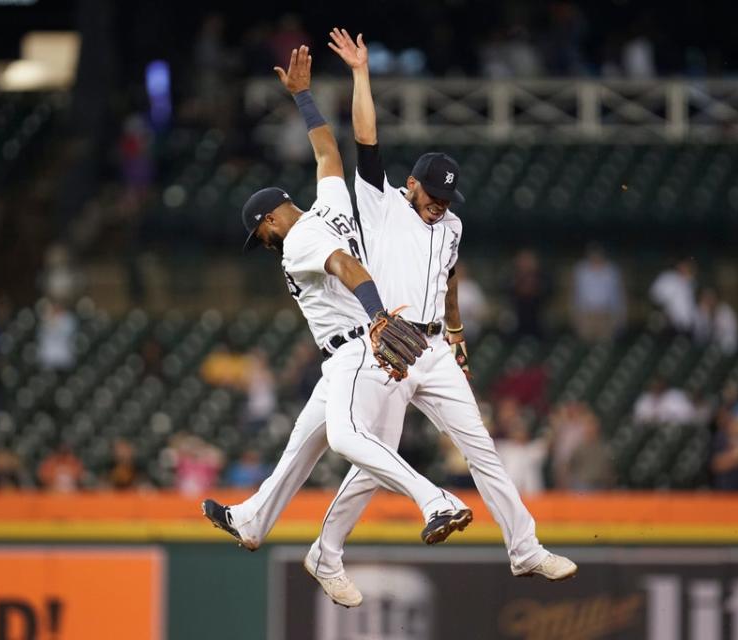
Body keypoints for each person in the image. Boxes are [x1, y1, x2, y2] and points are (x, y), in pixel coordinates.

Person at [205, 36, 575, 609]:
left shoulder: (374, 221)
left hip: (403, 342)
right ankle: (292, 527)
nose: (440, 207)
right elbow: (354, 145)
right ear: (413, 185)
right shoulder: (372, 203)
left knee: (472, 448)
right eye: (433, 197)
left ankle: (521, 548)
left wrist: (453, 332)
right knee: (346, 445)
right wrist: (355, 79)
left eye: (262, 231)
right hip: (380, 347)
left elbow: (442, 270)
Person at [202, 46, 474, 596]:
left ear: (272, 216)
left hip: (361, 347)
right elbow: (327, 150)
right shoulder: (328, 201)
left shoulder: (297, 240)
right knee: (305, 442)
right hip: (365, 349)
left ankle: (435, 499)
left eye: (261, 232)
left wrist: (375, 317)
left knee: (351, 440)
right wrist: (303, 97)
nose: (264, 241)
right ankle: (264, 524)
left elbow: (346, 266)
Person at [572, 243, 626, 342]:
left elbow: (617, 296)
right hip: (587, 314)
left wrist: (619, 317)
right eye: (593, 255)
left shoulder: (611, 271)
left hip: (606, 313)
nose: (596, 257)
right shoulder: (582, 270)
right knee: (586, 344)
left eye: (598, 255)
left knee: (604, 345)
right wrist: (577, 316)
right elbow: (577, 295)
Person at [649, 258, 696, 333]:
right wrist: (666, 312)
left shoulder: (691, 283)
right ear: (679, 266)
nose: (686, 268)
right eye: (684, 265)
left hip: (685, 326)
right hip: (668, 322)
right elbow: (654, 296)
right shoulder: (668, 278)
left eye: (689, 266)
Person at [692, 288, 738, 355]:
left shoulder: (725, 310)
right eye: (705, 298)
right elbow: (698, 334)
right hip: (706, 349)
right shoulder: (701, 311)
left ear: (715, 298)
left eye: (710, 298)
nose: (708, 300)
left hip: (726, 348)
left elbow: (724, 332)